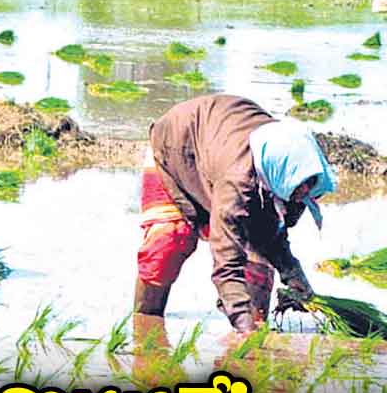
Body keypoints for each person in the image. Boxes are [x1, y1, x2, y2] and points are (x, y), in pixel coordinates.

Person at [134, 93, 338, 337]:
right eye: (300, 189)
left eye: (309, 186)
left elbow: (270, 235)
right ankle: (144, 327)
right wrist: (243, 325)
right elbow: (226, 263)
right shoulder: (240, 182)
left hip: (222, 158)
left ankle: (248, 343)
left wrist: (292, 274)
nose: (304, 192)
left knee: (258, 270)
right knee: (169, 242)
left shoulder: (299, 172)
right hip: (176, 151)